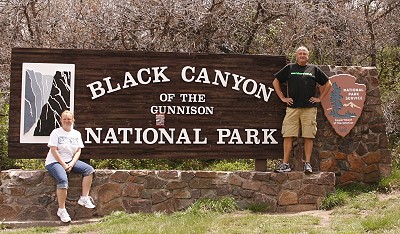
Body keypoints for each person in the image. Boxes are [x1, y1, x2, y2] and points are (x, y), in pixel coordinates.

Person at [272, 46, 332, 174]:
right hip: (292, 108)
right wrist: (282, 97)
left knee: (308, 136)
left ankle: (307, 164)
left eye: (304, 53)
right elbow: (276, 82)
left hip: (309, 108)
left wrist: (320, 98)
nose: (302, 55)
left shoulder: (313, 69)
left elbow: (328, 83)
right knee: (287, 135)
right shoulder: (289, 68)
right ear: (296, 55)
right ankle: (285, 164)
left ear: (308, 56)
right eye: (300, 53)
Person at [45, 110, 96, 223]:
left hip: (70, 161)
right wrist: (64, 165)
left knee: (89, 170)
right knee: (63, 180)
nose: (67, 121)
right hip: (54, 162)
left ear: (73, 120)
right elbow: (53, 150)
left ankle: (84, 198)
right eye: (65, 119)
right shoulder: (56, 132)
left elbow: (78, 150)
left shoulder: (76, 134)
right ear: (61, 120)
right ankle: (61, 210)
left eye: (69, 119)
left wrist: (72, 163)